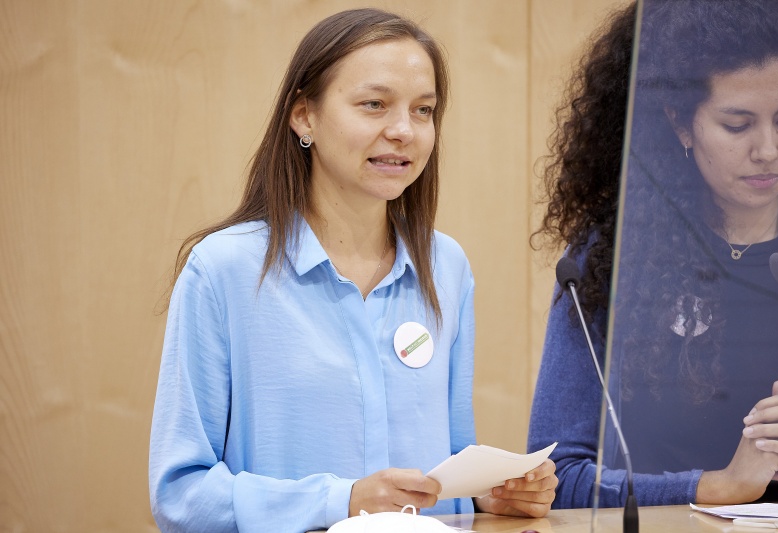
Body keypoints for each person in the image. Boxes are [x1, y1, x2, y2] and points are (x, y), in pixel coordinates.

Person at [149, 8, 557, 533]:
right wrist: (340, 501)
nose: (403, 131)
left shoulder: (447, 266)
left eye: (423, 110)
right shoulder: (223, 270)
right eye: (374, 104)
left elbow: (448, 466)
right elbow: (181, 496)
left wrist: (487, 495)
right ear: (304, 116)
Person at [528, 0, 778, 509]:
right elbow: (556, 475)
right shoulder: (610, 256)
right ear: (681, 124)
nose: (768, 150)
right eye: (737, 125)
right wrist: (712, 486)